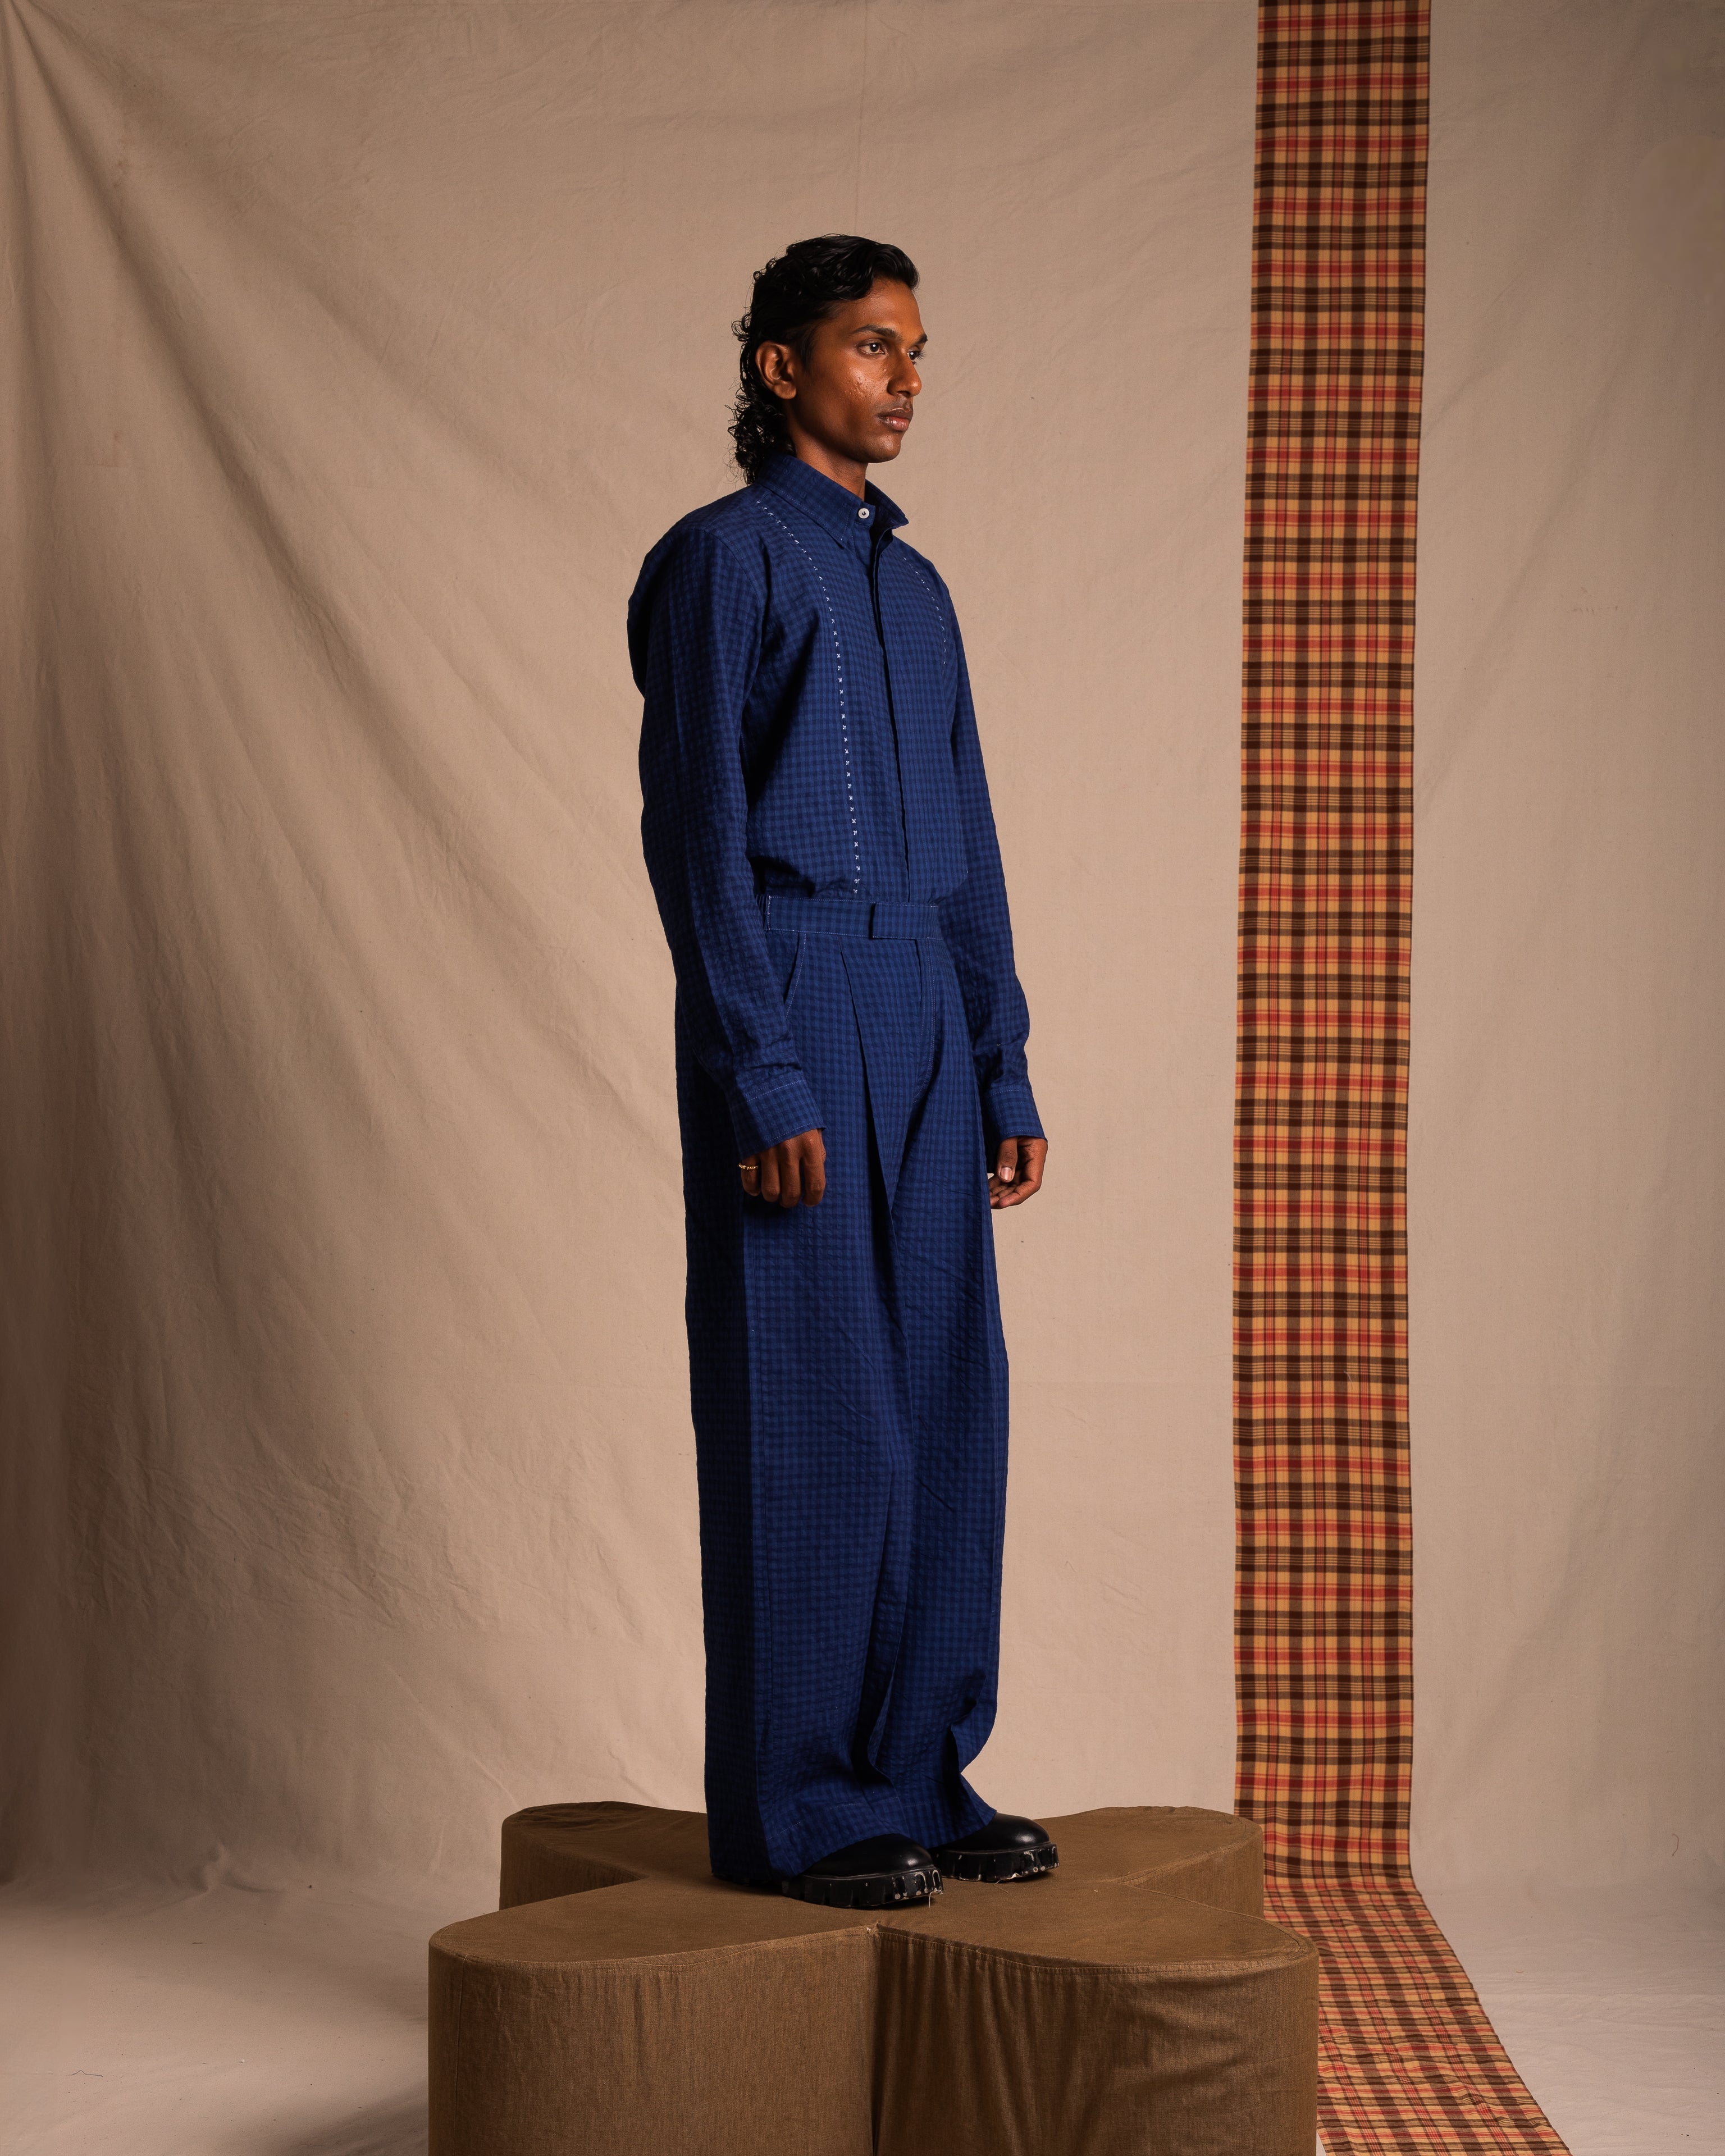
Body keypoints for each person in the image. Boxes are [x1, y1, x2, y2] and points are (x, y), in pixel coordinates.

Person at [630, 235, 1053, 1908]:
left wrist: (1002, 1059)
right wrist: (764, 1073)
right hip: (795, 989)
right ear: (780, 368)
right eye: (874, 347)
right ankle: (802, 1806)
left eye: (918, 350)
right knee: (813, 1418)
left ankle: (918, 1769)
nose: (906, 379)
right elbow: (700, 838)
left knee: (948, 1410)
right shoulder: (722, 561)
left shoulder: (919, 588)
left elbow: (968, 843)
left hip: (926, 1010)